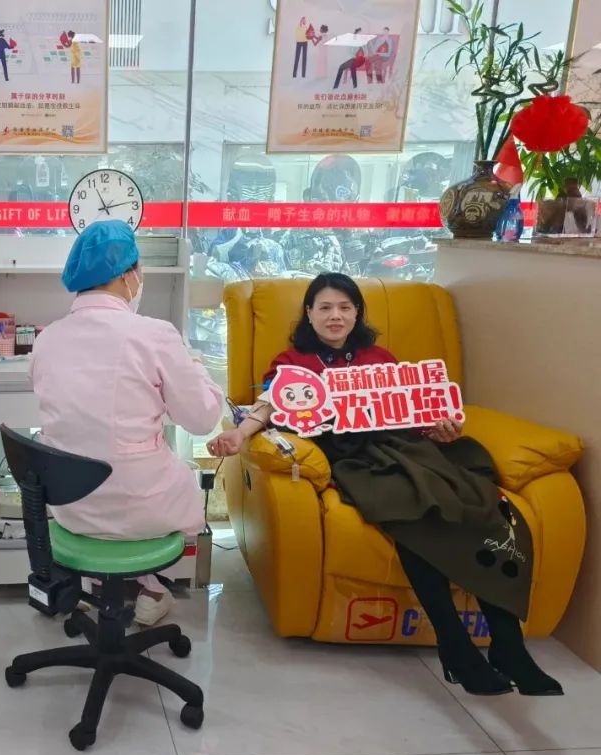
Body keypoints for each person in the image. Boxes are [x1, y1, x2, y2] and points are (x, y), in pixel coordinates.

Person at [208, 273, 562, 698]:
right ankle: (456, 643)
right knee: (413, 514)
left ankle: (508, 645)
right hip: (354, 457)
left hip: (408, 447)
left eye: (345, 307)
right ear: (309, 313)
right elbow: (269, 404)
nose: (335, 316)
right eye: (325, 307)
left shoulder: (380, 358)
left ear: (357, 313)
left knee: (480, 504)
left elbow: (416, 412)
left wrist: (438, 429)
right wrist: (239, 434)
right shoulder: (294, 362)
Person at [31, 221, 224, 626]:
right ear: (127, 275)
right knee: (169, 477)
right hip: (142, 507)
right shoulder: (154, 334)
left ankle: (100, 585)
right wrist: (196, 368)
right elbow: (203, 418)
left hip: (72, 509)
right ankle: (151, 590)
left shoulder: (46, 340)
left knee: (116, 472)